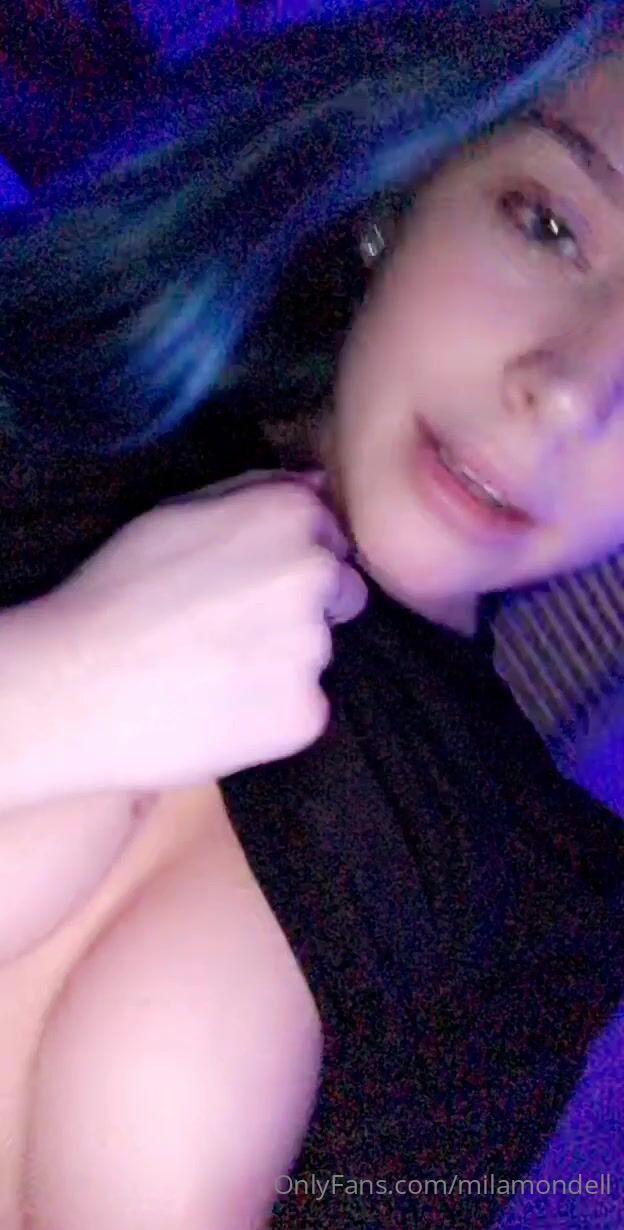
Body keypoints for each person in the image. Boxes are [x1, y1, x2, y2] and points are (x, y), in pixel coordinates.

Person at [2, 3, 624, 1229]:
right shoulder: (49, 400)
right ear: (411, 191)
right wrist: (50, 689)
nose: (566, 394)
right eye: (550, 225)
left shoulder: (544, 907)